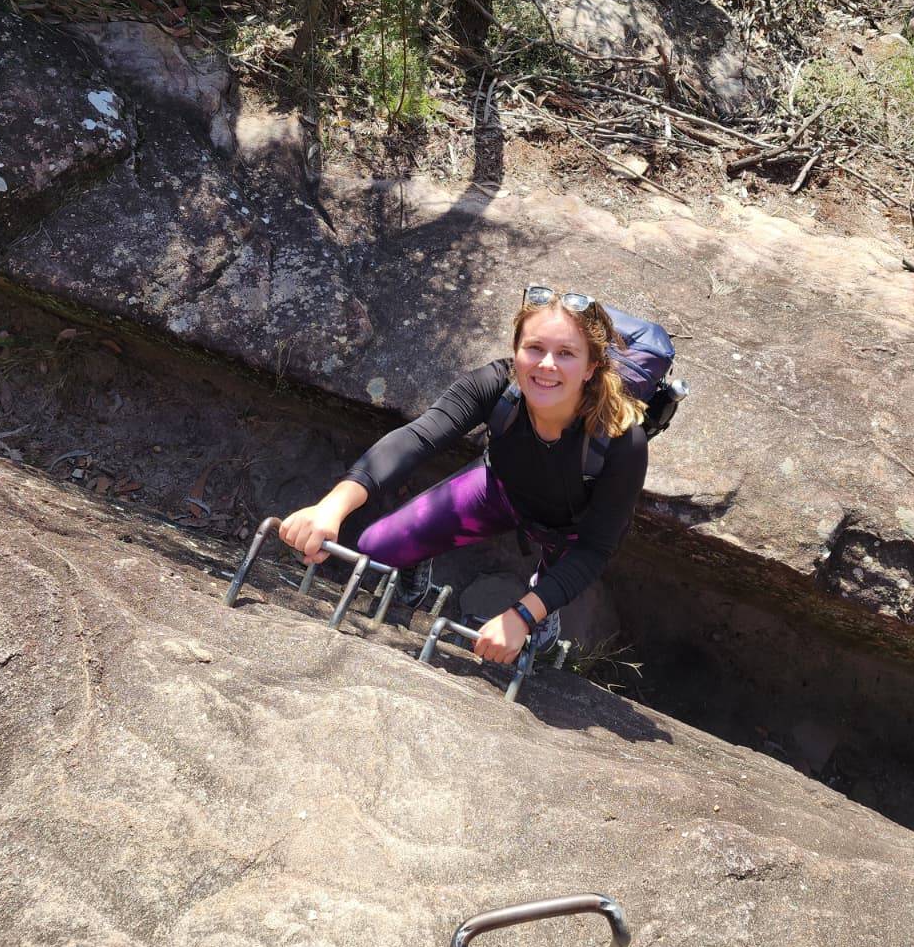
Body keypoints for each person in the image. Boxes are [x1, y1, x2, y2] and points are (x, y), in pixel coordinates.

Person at [278, 285, 650, 666]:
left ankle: (544, 614)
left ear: (591, 367)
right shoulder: (498, 386)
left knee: (549, 589)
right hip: (499, 491)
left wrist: (522, 615)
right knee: (376, 546)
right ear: (517, 349)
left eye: (566, 354)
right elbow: (418, 437)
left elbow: (594, 549)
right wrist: (331, 507)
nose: (546, 365)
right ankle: (419, 560)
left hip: (570, 531)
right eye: (534, 348)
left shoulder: (623, 441)